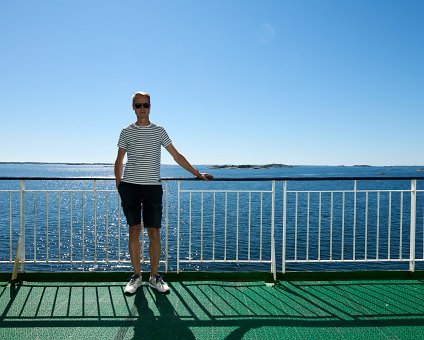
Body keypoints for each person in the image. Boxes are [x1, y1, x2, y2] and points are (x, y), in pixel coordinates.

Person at [115, 91, 213, 294]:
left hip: (152, 187)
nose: (142, 109)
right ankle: (136, 277)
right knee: (134, 231)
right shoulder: (126, 131)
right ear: (133, 107)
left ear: (150, 107)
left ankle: (153, 277)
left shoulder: (159, 131)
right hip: (130, 187)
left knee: (154, 232)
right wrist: (120, 185)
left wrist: (196, 173)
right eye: (138, 105)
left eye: (146, 105)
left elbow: (176, 156)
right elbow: (119, 160)